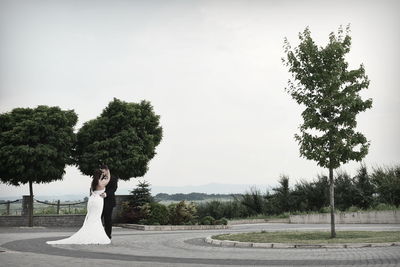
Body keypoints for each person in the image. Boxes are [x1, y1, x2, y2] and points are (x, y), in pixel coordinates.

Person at [47, 169, 111, 244]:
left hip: (92, 200)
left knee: (91, 217)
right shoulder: (101, 182)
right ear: (100, 175)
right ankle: (94, 235)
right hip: (98, 201)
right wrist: (108, 172)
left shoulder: (93, 182)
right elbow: (109, 178)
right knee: (96, 218)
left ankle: (89, 232)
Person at [100, 164, 118, 239]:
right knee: (98, 218)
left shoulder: (113, 178)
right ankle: (99, 234)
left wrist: (106, 194)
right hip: (100, 201)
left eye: (103, 172)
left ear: (107, 170)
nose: (102, 173)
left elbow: (114, 189)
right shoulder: (101, 178)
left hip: (109, 201)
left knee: (107, 219)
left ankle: (108, 235)